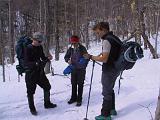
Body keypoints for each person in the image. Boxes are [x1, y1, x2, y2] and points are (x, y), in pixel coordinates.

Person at [84, 22, 121, 120]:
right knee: (110, 89)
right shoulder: (115, 38)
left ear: (103, 29)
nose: (98, 34)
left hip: (109, 69)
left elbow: (104, 59)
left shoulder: (106, 41)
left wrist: (91, 56)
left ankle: (105, 115)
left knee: (106, 92)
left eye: (98, 32)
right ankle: (112, 109)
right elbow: (112, 53)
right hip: (116, 68)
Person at [24, 32, 57, 115]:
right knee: (30, 92)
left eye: (41, 41)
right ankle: (32, 108)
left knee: (47, 86)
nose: (40, 43)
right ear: (34, 40)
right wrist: (35, 63)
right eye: (39, 41)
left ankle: (47, 103)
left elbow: (42, 57)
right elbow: (26, 63)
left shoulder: (40, 47)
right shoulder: (28, 48)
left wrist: (47, 58)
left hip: (39, 73)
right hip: (30, 74)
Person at [64, 35, 88, 107]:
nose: (74, 44)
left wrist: (83, 61)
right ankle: (73, 98)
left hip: (81, 69)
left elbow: (87, 58)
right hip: (73, 68)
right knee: (73, 84)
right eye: (73, 43)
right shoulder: (70, 49)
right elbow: (66, 57)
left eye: (75, 42)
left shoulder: (82, 48)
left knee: (80, 84)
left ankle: (79, 99)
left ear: (78, 42)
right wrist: (68, 60)